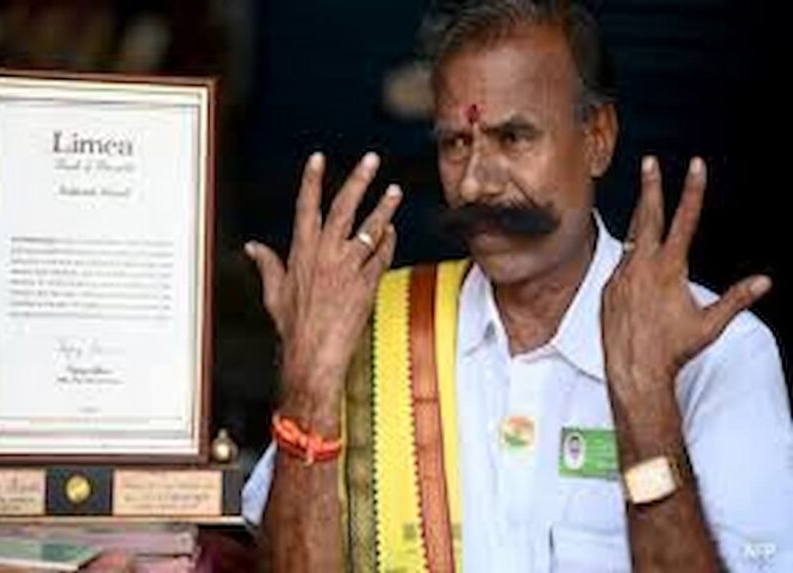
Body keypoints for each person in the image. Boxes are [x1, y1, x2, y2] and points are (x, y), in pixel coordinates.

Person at [241, 1, 793, 571]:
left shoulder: (718, 354)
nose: (475, 184)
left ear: (598, 138)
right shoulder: (367, 331)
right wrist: (310, 383)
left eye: (514, 138)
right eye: (456, 144)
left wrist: (647, 405)